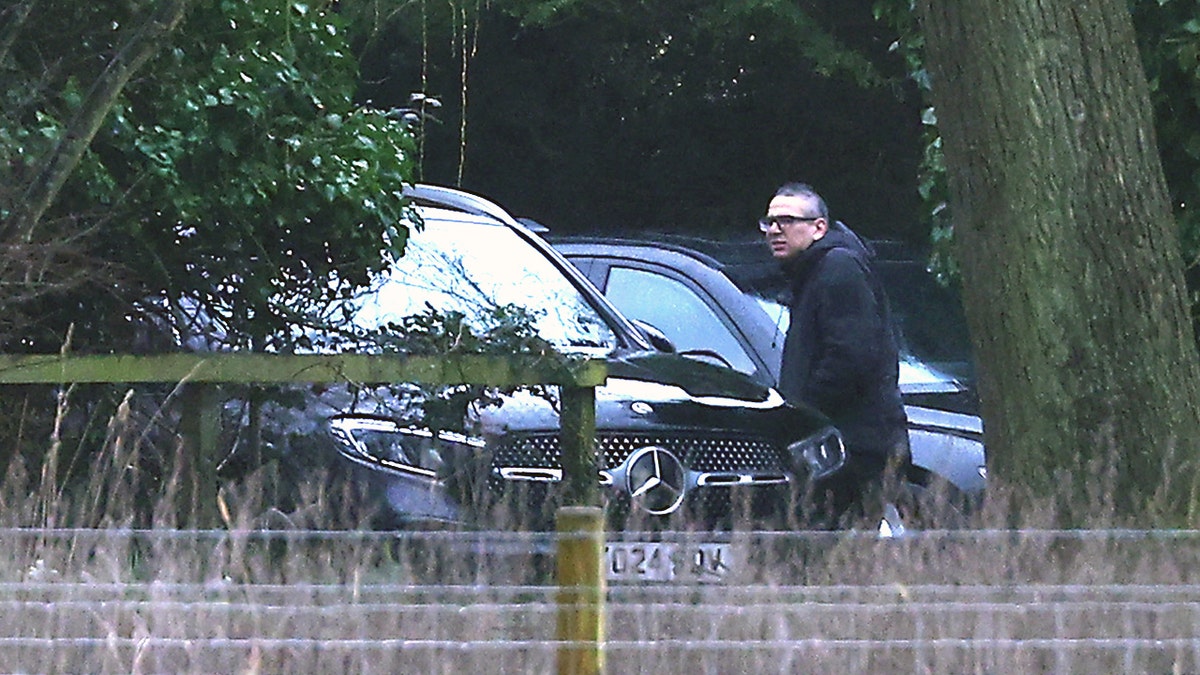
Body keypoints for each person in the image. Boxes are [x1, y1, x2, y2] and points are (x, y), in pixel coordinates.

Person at [760, 181, 909, 528]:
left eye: (787, 220)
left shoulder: (838, 268)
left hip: (854, 450)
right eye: (769, 222)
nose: (775, 230)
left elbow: (851, 359)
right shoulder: (813, 271)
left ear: (819, 227)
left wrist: (803, 414)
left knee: (842, 556)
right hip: (841, 444)